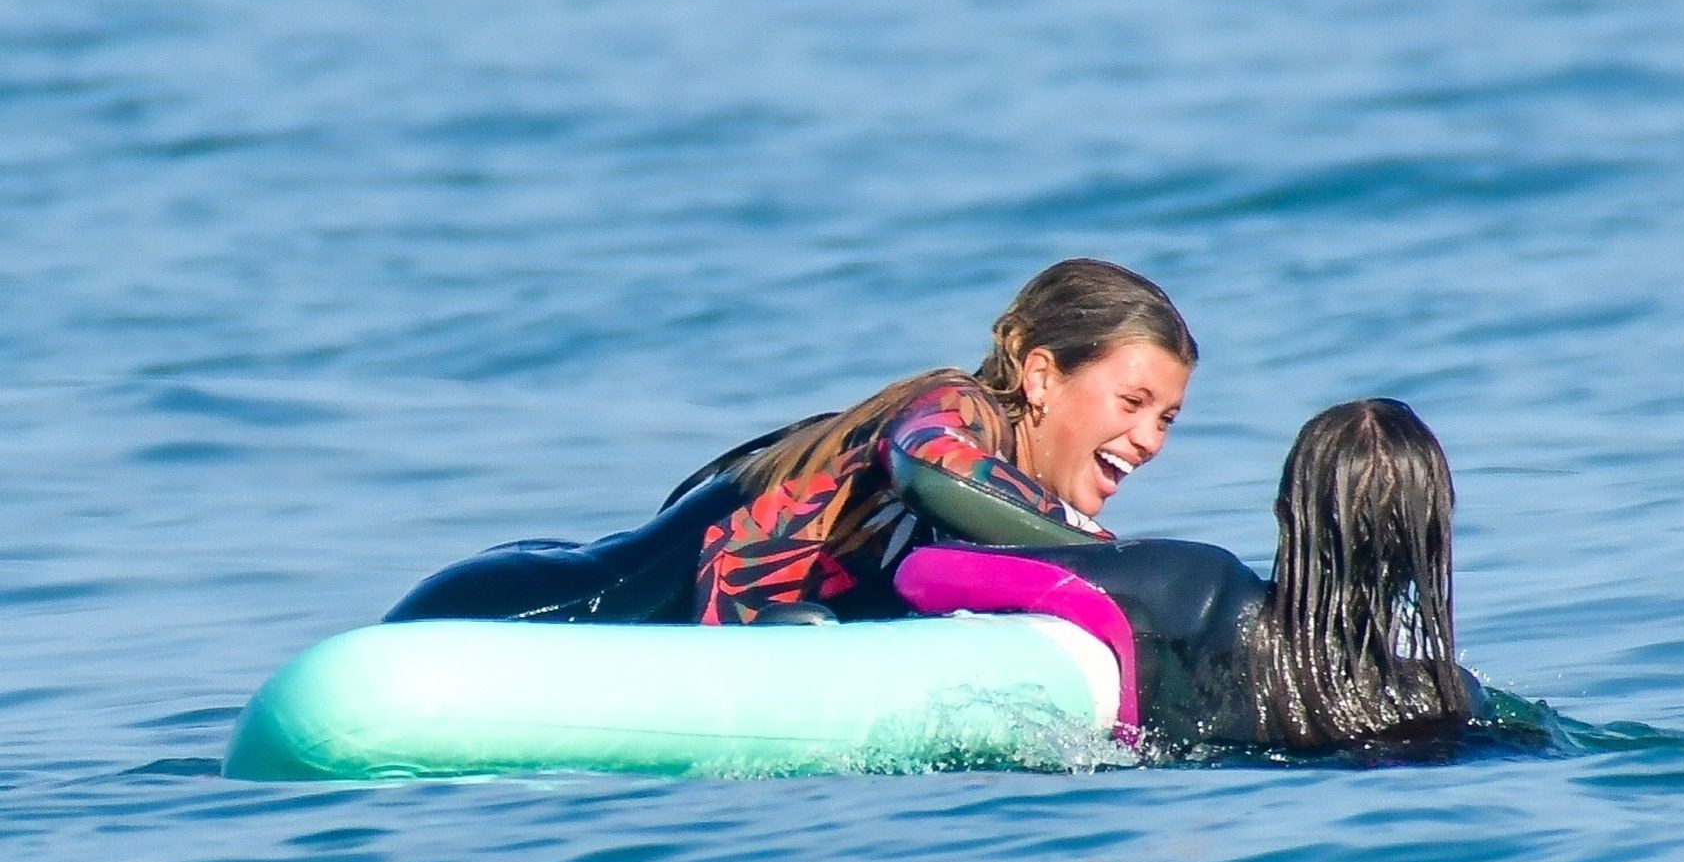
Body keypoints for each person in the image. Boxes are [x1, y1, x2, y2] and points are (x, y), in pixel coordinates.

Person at [384, 258, 1196, 627]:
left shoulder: (1004, 513)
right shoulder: (958, 409)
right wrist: (1118, 563)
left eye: (1166, 418)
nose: (1149, 439)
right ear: (1042, 375)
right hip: (535, 612)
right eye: (1133, 402)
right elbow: (933, 472)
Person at [895, 398, 1484, 760]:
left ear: (1285, 511)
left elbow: (926, 573)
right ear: (1436, 538)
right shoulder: (1448, 696)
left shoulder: (1195, 590)